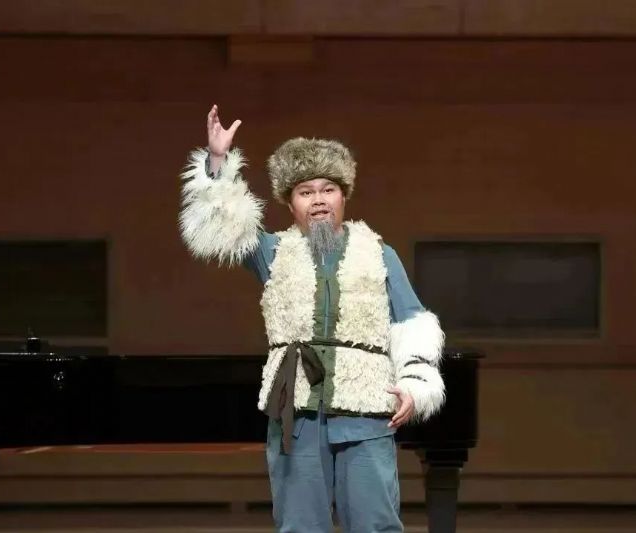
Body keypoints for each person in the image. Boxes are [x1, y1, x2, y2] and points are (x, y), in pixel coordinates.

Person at [179, 104, 446, 532]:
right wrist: (217, 162)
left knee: (376, 524)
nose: (319, 200)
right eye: (305, 192)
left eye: (328, 189)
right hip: (296, 410)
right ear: (290, 203)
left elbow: (412, 322)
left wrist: (416, 384)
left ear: (344, 196)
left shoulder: (379, 253)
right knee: (300, 525)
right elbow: (221, 228)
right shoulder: (273, 251)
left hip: (366, 408)